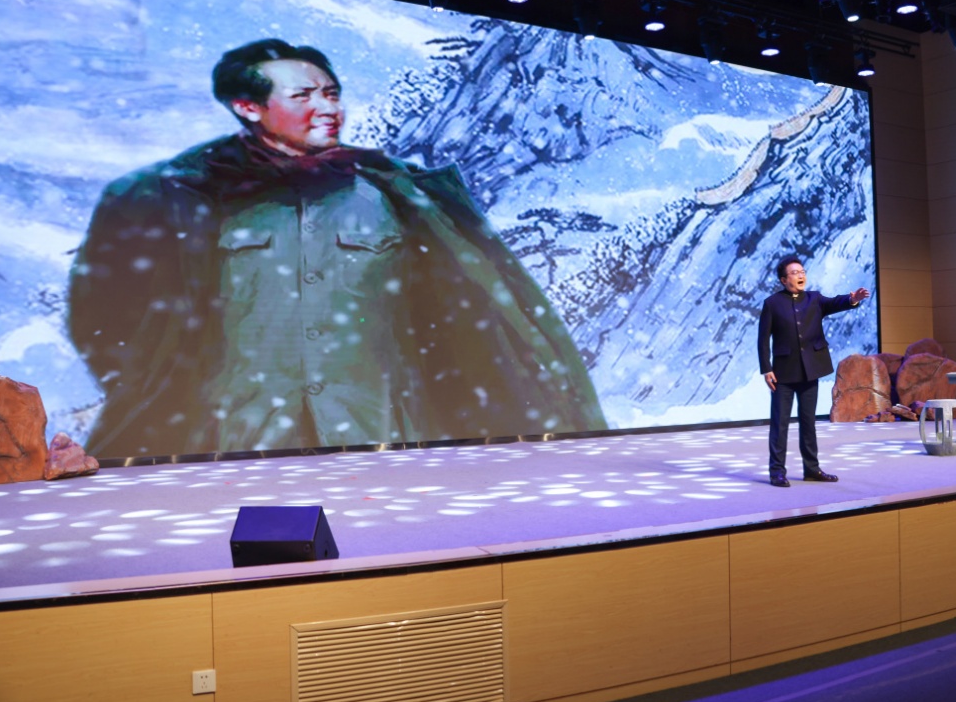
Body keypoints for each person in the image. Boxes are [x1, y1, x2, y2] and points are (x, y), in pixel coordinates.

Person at [68, 38, 606, 457]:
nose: (326, 108)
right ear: (248, 107)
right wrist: (173, 390)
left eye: (331, 93)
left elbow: (462, 309)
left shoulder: (396, 195)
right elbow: (104, 315)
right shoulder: (190, 199)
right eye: (302, 96)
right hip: (237, 443)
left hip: (378, 435)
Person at [757, 255, 870, 487]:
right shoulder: (772, 303)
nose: (800, 276)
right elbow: (763, 339)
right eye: (794, 273)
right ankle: (777, 472)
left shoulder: (814, 299)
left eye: (802, 272)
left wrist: (852, 299)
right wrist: (766, 369)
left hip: (810, 371)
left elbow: (835, 302)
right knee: (780, 423)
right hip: (783, 373)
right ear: (783, 280)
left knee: (808, 422)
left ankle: (812, 469)